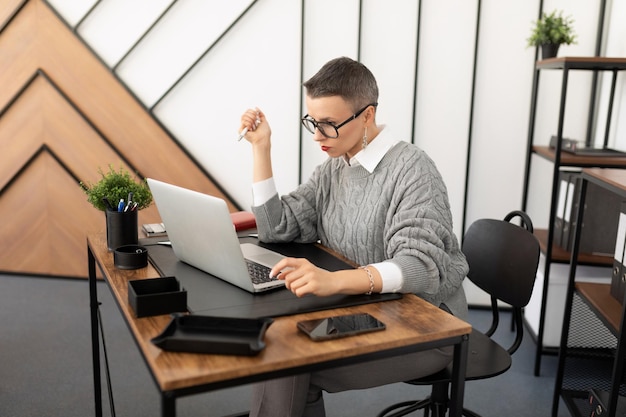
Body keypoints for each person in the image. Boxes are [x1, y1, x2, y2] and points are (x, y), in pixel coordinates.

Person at [238, 56, 468, 417]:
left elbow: (420, 268)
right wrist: (261, 148)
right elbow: (277, 226)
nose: (317, 136)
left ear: (367, 115)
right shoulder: (336, 166)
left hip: (428, 326)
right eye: (312, 122)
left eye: (328, 124)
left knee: (290, 363)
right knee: (278, 345)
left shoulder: (413, 170)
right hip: (364, 310)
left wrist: (335, 281)